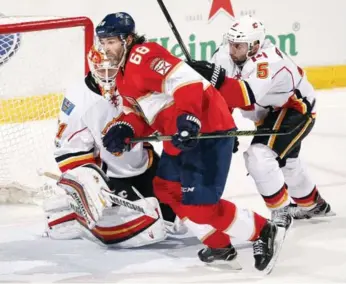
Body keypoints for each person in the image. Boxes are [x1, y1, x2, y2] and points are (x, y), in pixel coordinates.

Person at [98, 12, 292, 272]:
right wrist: (125, 127)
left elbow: (186, 80)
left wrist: (189, 118)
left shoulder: (143, 55)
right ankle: (219, 245)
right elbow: (142, 112)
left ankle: (262, 231)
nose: (106, 48)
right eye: (103, 42)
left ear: (128, 39)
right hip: (180, 138)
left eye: (111, 41)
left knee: (201, 206)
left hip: (205, 129)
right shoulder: (122, 75)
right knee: (166, 189)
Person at [188, 15, 334, 223]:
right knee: (288, 162)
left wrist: (216, 77)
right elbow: (219, 98)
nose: (232, 50)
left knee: (259, 156)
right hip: (268, 112)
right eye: (231, 44)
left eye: (238, 46)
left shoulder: (270, 61)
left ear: (255, 46)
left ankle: (281, 212)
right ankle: (314, 205)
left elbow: (244, 96)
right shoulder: (224, 54)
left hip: (296, 109)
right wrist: (224, 128)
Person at [43, 44, 178, 248]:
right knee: (151, 231)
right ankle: (76, 215)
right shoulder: (78, 98)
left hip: (144, 162)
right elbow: (67, 148)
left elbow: (157, 112)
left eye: (112, 70)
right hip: (111, 175)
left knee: (175, 220)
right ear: (91, 66)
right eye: (101, 71)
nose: (107, 76)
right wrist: (91, 181)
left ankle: (78, 209)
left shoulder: (132, 81)